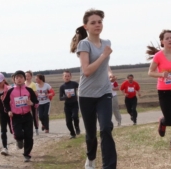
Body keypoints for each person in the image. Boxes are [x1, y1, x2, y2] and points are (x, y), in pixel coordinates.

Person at [70, 9, 117, 169]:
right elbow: (87, 71)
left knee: (105, 128)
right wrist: (104, 55)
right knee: (91, 133)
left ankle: (109, 166)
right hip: (87, 95)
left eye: (100, 22)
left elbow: (104, 64)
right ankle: (91, 158)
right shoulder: (84, 44)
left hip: (104, 92)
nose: (97, 25)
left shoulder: (107, 43)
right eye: (93, 22)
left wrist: (110, 73)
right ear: (86, 26)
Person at [3, 70, 39, 162]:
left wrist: (32, 103)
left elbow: (36, 103)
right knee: (18, 134)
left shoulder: (29, 90)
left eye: (21, 77)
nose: (19, 79)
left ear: (24, 79)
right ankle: (19, 140)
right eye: (17, 78)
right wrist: (9, 111)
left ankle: (27, 153)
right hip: (16, 117)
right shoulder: (10, 91)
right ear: (14, 80)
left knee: (28, 136)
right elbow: (5, 102)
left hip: (27, 116)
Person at [59, 70, 81, 139]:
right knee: (68, 121)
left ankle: (77, 127)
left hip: (74, 104)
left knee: (75, 117)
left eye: (68, 76)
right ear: (63, 77)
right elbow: (60, 98)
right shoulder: (62, 87)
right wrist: (66, 97)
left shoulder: (74, 84)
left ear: (71, 77)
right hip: (67, 105)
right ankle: (72, 134)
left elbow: (81, 88)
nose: (67, 77)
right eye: (65, 76)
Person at [25, 70, 39, 135]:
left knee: (34, 115)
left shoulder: (33, 84)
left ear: (31, 76)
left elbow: (36, 93)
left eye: (28, 76)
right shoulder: (24, 84)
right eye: (26, 76)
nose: (27, 77)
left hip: (32, 101)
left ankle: (36, 128)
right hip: (25, 102)